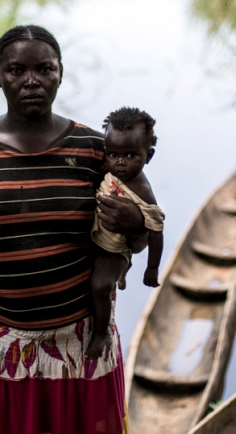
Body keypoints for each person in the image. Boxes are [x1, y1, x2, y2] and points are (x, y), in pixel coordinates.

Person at [0, 24, 146, 434]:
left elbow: (127, 238)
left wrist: (138, 226)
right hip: (5, 346)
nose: (31, 81)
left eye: (44, 69)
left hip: (83, 344)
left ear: (60, 74)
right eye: (15, 71)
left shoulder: (93, 149)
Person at [85, 107, 164, 360]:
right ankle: (122, 273)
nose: (120, 162)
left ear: (148, 156)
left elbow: (155, 231)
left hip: (114, 248)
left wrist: (152, 268)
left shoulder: (142, 191)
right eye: (113, 154)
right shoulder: (109, 169)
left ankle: (99, 334)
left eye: (131, 155)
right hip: (96, 236)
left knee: (99, 286)